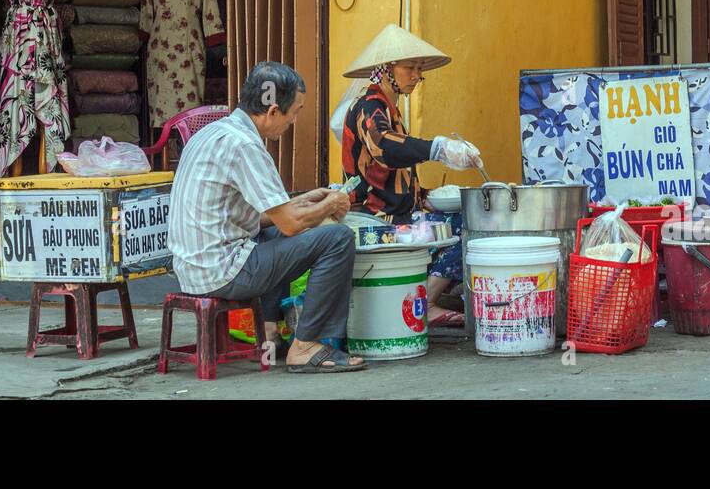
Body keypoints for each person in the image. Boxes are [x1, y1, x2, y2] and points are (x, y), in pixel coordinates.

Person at [167, 61, 367, 373]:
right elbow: (290, 223)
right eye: (295, 111)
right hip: (221, 272)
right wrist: (329, 206)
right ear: (273, 111)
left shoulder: (213, 133)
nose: (294, 120)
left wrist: (304, 200)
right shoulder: (245, 145)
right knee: (337, 239)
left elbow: (260, 217)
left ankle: (270, 333)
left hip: (193, 267)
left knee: (277, 235)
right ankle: (306, 346)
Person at [341, 24, 484, 328]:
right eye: (410, 67)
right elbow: (384, 149)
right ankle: (427, 302)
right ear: (385, 69)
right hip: (376, 219)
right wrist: (438, 148)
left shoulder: (389, 109)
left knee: (464, 216)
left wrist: (428, 198)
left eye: (420, 69)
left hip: (397, 214)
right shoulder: (369, 106)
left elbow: (395, 175)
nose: (417, 75)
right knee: (467, 228)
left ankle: (425, 297)